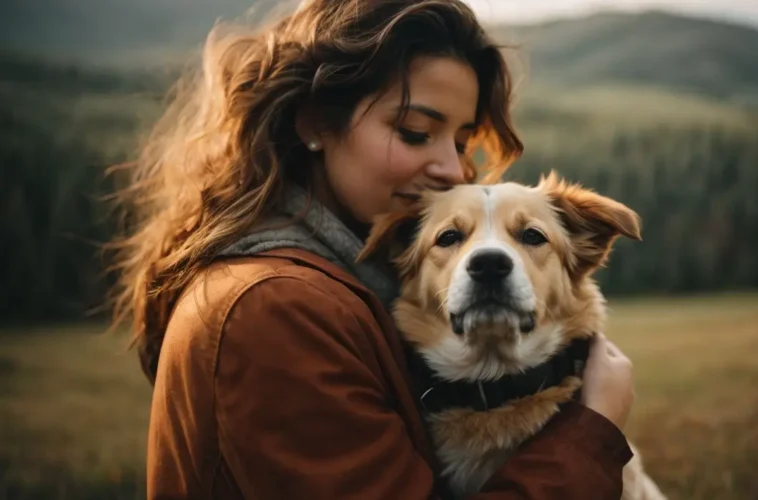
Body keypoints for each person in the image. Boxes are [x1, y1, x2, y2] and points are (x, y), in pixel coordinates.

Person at [110, 0, 636, 498]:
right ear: (317, 123)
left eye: (459, 142)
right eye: (414, 132)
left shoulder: (339, 276)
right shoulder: (273, 308)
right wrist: (594, 432)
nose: (453, 171)